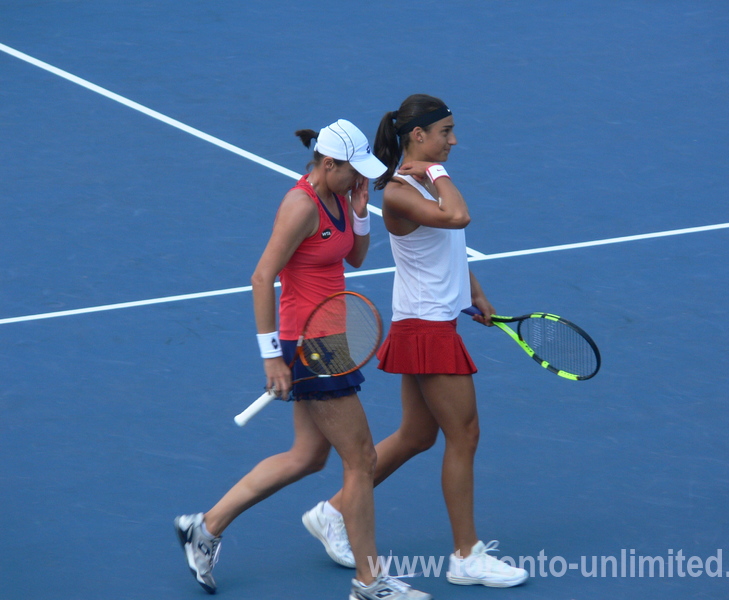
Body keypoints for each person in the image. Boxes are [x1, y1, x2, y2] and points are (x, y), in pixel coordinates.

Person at [174, 119, 431, 600]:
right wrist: (272, 358)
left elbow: (353, 258)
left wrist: (359, 213)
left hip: (330, 338)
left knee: (308, 456)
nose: (361, 181)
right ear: (327, 164)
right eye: (353, 172)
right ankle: (370, 584)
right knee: (361, 459)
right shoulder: (299, 205)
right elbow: (260, 277)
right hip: (309, 344)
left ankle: (204, 528)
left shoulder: (339, 195)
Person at [302, 96, 529, 588]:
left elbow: (449, 247)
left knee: (417, 435)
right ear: (418, 135)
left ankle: (334, 511)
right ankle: (466, 556)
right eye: (445, 131)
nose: (453, 140)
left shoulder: (417, 185)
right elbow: (459, 217)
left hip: (428, 320)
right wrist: (433, 171)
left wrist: (475, 293)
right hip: (425, 327)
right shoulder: (402, 191)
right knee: (464, 435)